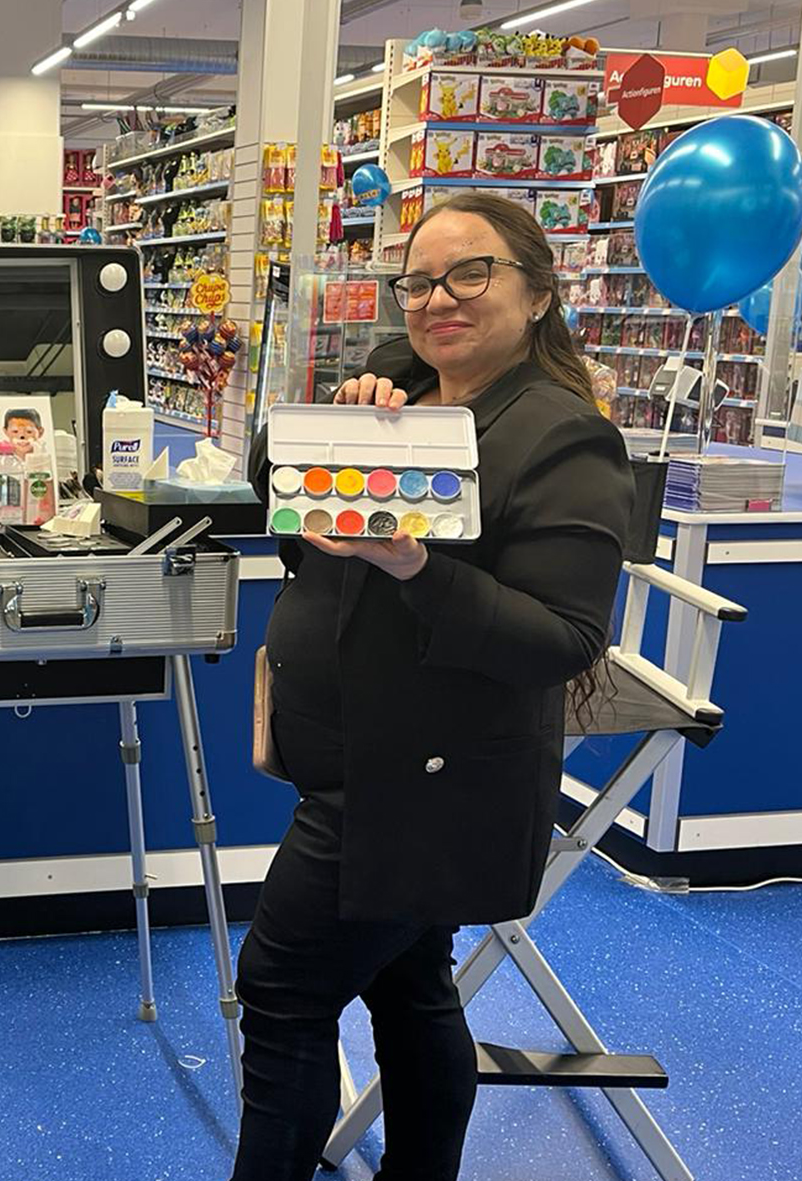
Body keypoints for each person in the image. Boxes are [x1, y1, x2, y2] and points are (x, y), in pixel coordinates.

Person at [236, 192, 635, 1181]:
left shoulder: (563, 438)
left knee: (282, 991)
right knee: (410, 984)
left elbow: (564, 637)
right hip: (360, 765)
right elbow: (272, 478)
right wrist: (328, 427)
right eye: (417, 281)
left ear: (538, 293)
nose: (438, 299)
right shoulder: (401, 383)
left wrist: (418, 567)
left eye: (471, 273)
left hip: (421, 790)